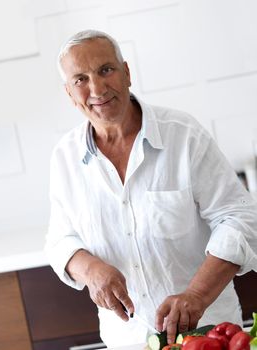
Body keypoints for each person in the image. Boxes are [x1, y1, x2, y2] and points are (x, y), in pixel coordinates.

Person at [45, 29, 257, 347]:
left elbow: (239, 218)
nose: (97, 88)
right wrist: (90, 269)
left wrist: (197, 294)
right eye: (81, 79)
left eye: (105, 70)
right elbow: (59, 239)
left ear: (127, 72)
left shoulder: (184, 136)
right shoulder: (65, 157)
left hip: (207, 335)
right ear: (70, 93)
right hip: (126, 339)